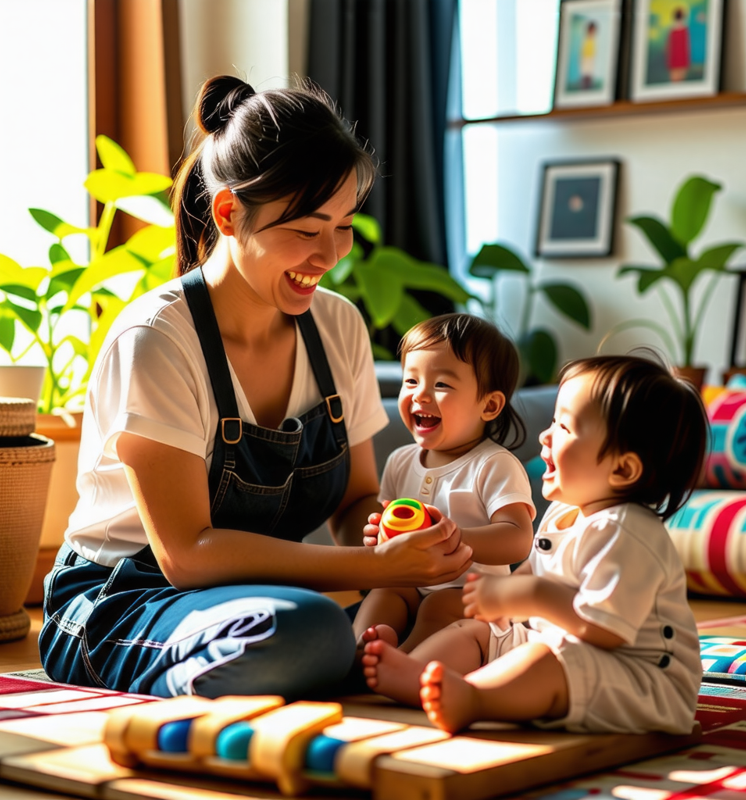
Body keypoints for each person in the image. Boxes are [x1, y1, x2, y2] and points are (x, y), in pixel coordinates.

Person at [38, 75, 472, 700]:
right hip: (124, 599)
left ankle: (309, 669)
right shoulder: (157, 339)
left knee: (465, 612)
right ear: (228, 212)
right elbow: (186, 554)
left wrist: (400, 552)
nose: (328, 255)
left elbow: (354, 502)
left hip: (251, 602)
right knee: (310, 630)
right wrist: (372, 569)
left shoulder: (338, 326)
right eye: (305, 229)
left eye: (344, 226)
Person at [362, 354, 708, 736]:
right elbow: (534, 571)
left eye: (564, 427)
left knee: (546, 657)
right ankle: (415, 675)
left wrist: (532, 595)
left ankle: (475, 698)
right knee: (478, 632)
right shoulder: (563, 510)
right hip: (563, 646)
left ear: (623, 469)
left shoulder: (629, 533)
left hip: (641, 681)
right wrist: (497, 601)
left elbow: (604, 631)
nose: (545, 435)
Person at [353, 314, 535, 653]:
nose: (420, 396)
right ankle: (360, 651)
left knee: (440, 606)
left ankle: (403, 663)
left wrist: (453, 538)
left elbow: (518, 539)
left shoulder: (493, 465)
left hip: (473, 594)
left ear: (489, 405)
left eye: (441, 385)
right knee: (385, 592)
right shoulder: (400, 461)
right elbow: (389, 525)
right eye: (411, 382)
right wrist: (378, 535)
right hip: (412, 582)